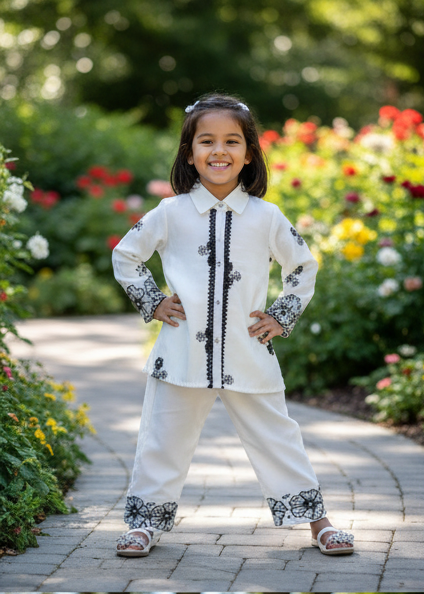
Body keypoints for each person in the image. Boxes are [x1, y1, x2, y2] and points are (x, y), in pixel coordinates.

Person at [112, 93, 354, 558]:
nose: (219, 150)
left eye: (231, 141)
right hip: (181, 352)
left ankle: (317, 522)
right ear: (189, 153)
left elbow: (303, 266)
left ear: (248, 154)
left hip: (248, 351)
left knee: (277, 436)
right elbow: (126, 255)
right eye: (207, 141)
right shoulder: (170, 212)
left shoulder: (267, 217)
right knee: (162, 438)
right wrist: (153, 301)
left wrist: (281, 315)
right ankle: (143, 525)